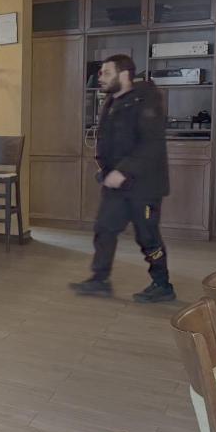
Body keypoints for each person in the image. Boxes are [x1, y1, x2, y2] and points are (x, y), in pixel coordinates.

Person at [70, 54, 175, 302]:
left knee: (147, 237)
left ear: (125, 75)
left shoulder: (147, 100)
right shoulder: (111, 101)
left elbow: (151, 145)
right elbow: (108, 140)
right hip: (116, 185)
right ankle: (99, 280)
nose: (101, 77)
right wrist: (106, 169)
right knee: (104, 228)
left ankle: (163, 285)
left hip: (144, 186)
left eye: (107, 73)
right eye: (101, 73)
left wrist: (123, 170)